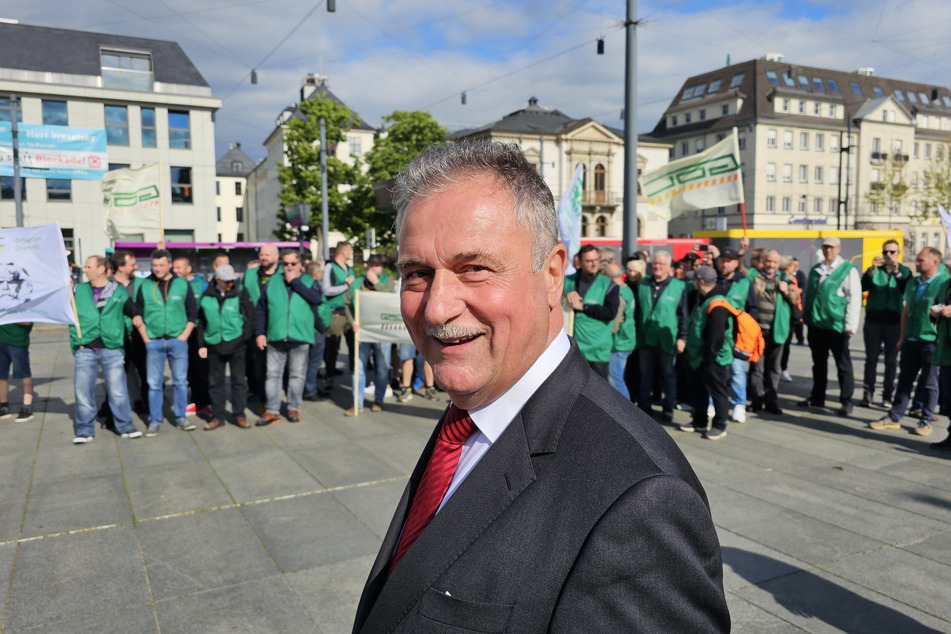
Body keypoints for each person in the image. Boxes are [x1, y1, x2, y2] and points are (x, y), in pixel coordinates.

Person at [353, 142, 729, 632]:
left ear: (552, 274)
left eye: (475, 269)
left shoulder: (641, 502)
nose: (436, 308)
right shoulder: (472, 416)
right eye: (417, 274)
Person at [870, 248, 949, 436]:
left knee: (930, 384)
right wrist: (902, 337)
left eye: (921, 260)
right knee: (904, 380)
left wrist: (939, 336)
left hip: (931, 340)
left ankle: (926, 419)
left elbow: (944, 309)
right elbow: (906, 311)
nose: (917, 263)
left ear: (934, 262)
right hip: (911, 340)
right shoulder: (913, 282)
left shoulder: (943, 283)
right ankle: (894, 417)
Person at [70, 255, 142, 443]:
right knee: (83, 391)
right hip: (85, 347)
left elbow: (131, 308)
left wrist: (136, 317)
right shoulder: (77, 289)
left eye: (88, 266)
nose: (85, 270)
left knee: (118, 390)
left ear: (102, 269)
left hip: (112, 347)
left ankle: (126, 426)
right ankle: (85, 430)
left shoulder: (117, 290)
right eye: (85, 267)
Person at [132, 249, 199, 437]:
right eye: (154, 265)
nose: (158, 268)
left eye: (161, 265)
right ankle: (154, 420)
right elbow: (138, 311)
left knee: (179, 382)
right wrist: (146, 337)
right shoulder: (145, 285)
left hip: (177, 340)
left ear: (169, 264)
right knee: (153, 383)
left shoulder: (182, 284)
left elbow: (193, 311)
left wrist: (184, 335)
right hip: (154, 341)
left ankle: (180, 417)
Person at [255, 250, 322, 425]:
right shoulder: (272, 282)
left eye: (293, 264)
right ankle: (272, 410)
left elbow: (316, 299)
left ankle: (293, 407)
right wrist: (260, 333)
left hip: (300, 336)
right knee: (272, 375)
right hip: (276, 336)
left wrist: (295, 283)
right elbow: (261, 309)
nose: (289, 267)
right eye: (286, 264)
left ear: (300, 264)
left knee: (297, 375)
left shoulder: (309, 281)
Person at [799, 236, 861, 416]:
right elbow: (808, 296)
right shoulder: (816, 269)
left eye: (832, 247)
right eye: (826, 247)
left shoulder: (847, 270)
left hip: (837, 326)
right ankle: (817, 397)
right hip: (816, 325)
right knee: (818, 364)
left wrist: (850, 326)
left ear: (838, 249)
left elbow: (854, 299)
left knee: (843, 365)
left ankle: (846, 401)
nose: (828, 250)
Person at [196, 264, 255, 430]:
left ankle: (239, 414)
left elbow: (251, 317)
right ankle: (218, 416)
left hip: (236, 343)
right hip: (214, 343)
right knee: (215, 382)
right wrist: (201, 344)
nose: (230, 284)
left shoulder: (240, 293)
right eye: (227, 281)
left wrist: (244, 337)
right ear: (217, 280)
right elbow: (201, 322)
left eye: (232, 281)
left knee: (239, 381)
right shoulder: (206, 296)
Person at [679, 266, 733, 440]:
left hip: (712, 358)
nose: (692, 282)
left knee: (718, 392)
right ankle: (699, 421)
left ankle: (719, 425)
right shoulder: (703, 298)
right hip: (700, 357)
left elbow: (715, 337)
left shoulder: (717, 304)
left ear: (701, 282)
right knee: (699, 390)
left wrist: (709, 358)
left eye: (694, 279)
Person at [634, 251, 688, 422]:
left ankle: (668, 407)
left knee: (668, 375)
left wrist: (683, 337)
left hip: (667, 339)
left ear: (669, 267)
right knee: (645, 374)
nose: (657, 267)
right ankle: (644, 406)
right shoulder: (642, 284)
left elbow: (683, 315)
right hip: (644, 338)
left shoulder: (679, 286)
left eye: (662, 264)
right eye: (655, 263)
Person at [860, 239, 911, 408]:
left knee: (891, 360)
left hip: (894, 322)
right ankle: (867, 395)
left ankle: (887, 396)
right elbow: (863, 287)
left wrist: (897, 273)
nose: (888, 256)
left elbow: (907, 289)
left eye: (892, 252)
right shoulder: (875, 270)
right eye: (885, 252)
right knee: (871, 359)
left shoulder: (904, 271)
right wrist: (871, 270)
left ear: (898, 254)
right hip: (873, 320)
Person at [749, 250, 800, 415]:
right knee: (756, 367)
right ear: (763, 261)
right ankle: (756, 400)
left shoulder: (785, 279)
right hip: (757, 331)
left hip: (776, 330)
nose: (771, 265)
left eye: (775, 262)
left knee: (774, 368)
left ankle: (772, 401)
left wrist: (786, 291)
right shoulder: (754, 277)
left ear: (779, 265)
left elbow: (796, 300)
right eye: (769, 261)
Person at [346, 254, 396, 416]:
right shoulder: (357, 282)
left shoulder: (387, 280)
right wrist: (352, 321)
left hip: (381, 331)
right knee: (358, 368)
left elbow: (389, 300)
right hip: (362, 330)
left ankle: (378, 400)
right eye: (371, 265)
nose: (374, 268)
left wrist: (376, 283)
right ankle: (357, 403)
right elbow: (347, 303)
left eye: (377, 265)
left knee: (382, 367)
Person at [715, 247, 758, 423]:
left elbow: (752, 308)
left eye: (728, 260)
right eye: (722, 260)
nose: (724, 264)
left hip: (736, 337)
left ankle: (739, 404)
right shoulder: (713, 280)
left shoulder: (744, 283)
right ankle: (713, 402)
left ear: (736, 263)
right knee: (716, 373)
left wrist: (747, 327)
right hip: (716, 336)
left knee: (737, 372)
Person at [563, 244, 619, 379]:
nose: (594, 264)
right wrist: (565, 295)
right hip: (571, 348)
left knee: (598, 395)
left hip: (597, 350)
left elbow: (610, 313)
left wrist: (584, 307)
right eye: (589, 261)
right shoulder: (567, 281)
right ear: (579, 262)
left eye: (597, 259)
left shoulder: (609, 285)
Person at [242, 244, 281, 410]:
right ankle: (264, 400)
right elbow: (242, 298)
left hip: (278, 326)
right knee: (260, 366)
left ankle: (278, 400)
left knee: (279, 366)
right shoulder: (250, 274)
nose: (263, 257)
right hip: (255, 327)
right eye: (261, 254)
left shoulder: (282, 274)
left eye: (267, 254)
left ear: (276, 256)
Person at [173, 256, 211, 417]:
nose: (175, 271)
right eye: (174, 267)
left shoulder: (202, 285)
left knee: (201, 369)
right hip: (180, 332)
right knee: (185, 370)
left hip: (198, 331)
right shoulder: (173, 284)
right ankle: (193, 400)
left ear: (188, 269)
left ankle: (204, 402)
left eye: (179, 267)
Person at [323, 241, 355, 387]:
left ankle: (356, 377)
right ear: (343, 252)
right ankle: (329, 376)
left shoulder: (349, 268)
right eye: (350, 250)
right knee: (333, 346)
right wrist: (345, 285)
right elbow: (326, 289)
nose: (351, 253)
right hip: (336, 313)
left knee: (353, 345)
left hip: (350, 312)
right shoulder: (330, 266)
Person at [605, 261, 635, 398]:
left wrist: (605, 334)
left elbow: (616, 320)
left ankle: (627, 413)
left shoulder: (618, 292)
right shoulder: (626, 289)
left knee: (615, 379)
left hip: (619, 342)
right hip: (625, 339)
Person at [302, 260, 329, 401]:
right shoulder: (314, 286)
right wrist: (322, 327)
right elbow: (317, 309)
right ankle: (310, 390)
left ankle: (310, 387)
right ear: (317, 274)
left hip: (309, 329)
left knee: (308, 363)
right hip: (315, 330)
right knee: (313, 362)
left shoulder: (304, 284)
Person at [929, 279, 951, 449]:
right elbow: (939, 304)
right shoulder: (946, 284)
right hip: (946, 348)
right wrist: (935, 313)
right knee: (947, 398)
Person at [0, 322, 34, 422]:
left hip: (18, 342)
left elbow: (28, 322)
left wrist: (8, 317)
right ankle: (3, 406)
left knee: (24, 375)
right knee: (1, 376)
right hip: (1, 340)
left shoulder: (24, 306)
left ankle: (27, 407)